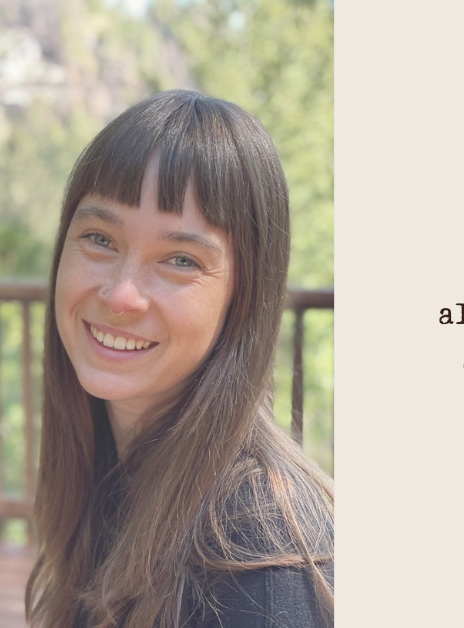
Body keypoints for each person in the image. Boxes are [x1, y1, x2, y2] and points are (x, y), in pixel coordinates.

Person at [25, 90, 334, 628]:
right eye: (100, 238)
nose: (121, 294)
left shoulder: (261, 555)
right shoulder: (110, 475)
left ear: (243, 296)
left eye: (180, 260)